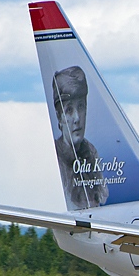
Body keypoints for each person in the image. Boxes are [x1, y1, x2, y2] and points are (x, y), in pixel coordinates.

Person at [52, 66, 108, 209]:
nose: (77, 118)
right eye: (69, 110)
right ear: (59, 117)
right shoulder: (56, 156)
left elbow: (103, 196)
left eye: (81, 106)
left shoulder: (91, 151)